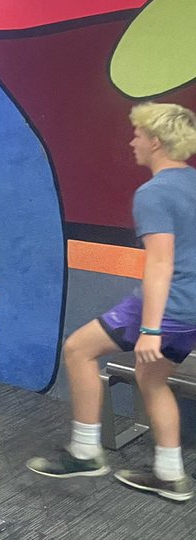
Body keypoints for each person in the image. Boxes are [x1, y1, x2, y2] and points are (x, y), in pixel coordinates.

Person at [28, 103, 196, 502]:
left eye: (138, 134)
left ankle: (86, 452)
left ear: (156, 141)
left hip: (168, 307)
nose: (132, 141)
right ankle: (170, 475)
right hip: (192, 310)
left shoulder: (154, 193)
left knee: (78, 349)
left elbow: (159, 262)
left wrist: (151, 329)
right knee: (152, 378)